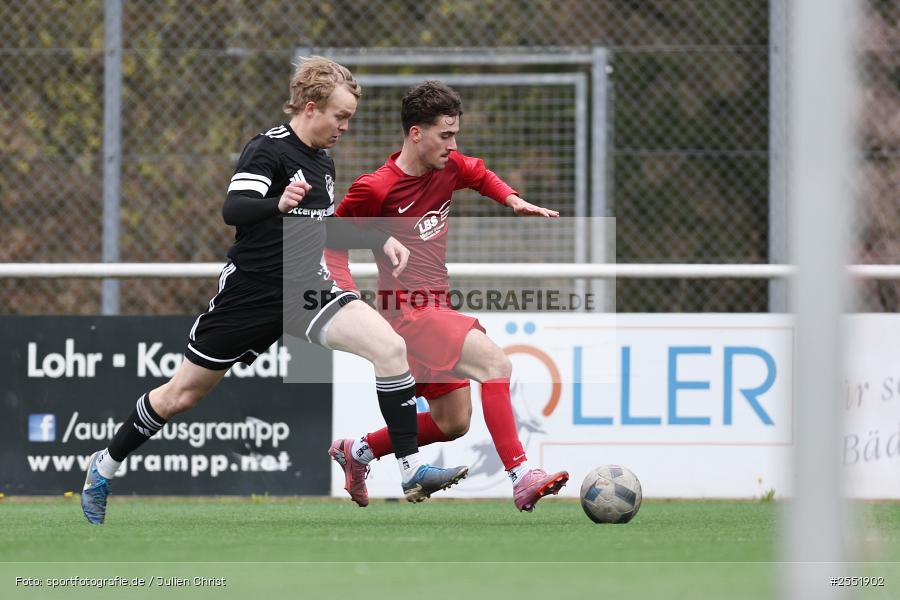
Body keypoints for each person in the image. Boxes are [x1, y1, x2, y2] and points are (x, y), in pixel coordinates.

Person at [81, 59, 467, 525]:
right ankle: (104, 466)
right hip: (251, 295)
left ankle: (410, 470)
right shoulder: (268, 150)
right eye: (340, 116)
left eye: (350, 118)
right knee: (179, 396)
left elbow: (319, 230)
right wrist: (277, 203)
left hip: (307, 291)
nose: (345, 126)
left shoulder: (323, 162)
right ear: (310, 107)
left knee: (390, 347)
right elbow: (233, 209)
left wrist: (377, 237)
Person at [324, 80, 568, 512]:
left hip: (435, 307)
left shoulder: (448, 166)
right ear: (416, 133)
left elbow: (479, 173)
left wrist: (512, 200)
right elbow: (332, 236)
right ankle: (521, 476)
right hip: (407, 315)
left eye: (456, 134)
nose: (453, 145)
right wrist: (344, 290)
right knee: (496, 363)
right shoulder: (376, 188)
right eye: (445, 135)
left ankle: (357, 450)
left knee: (452, 422)